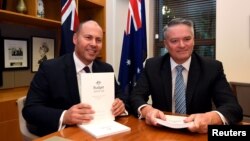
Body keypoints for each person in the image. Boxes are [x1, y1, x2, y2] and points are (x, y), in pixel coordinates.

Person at [129, 18, 243, 133]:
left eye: (187, 39)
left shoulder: (212, 68)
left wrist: (211, 118)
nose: (182, 45)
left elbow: (233, 107)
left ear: (193, 40)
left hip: (197, 133)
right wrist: (147, 110)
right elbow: (135, 97)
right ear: (166, 44)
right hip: (161, 131)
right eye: (174, 41)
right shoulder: (152, 65)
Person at [23, 20, 128, 136]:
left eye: (98, 40)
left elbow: (121, 95)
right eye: (88, 37)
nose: (94, 44)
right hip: (64, 134)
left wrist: (120, 103)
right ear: (75, 39)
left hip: (102, 132)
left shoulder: (106, 68)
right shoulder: (50, 69)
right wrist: (65, 116)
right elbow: (30, 109)